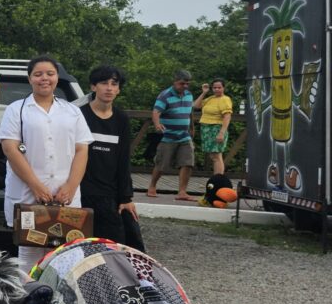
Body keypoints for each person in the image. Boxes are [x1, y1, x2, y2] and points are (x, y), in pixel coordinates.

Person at [0, 55, 92, 269]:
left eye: (50, 74)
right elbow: (10, 149)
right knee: (29, 252)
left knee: (65, 255)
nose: (44, 79)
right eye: (38, 74)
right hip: (29, 192)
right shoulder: (16, 109)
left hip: (65, 194)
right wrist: (36, 186)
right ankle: (29, 299)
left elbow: (81, 149)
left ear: (57, 77)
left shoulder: (72, 111)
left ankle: (60, 300)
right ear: (30, 78)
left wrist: (70, 186)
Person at [78, 65, 138, 245]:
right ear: (93, 87)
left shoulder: (121, 119)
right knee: (79, 247)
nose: (109, 88)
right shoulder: (79, 115)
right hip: (80, 193)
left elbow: (123, 160)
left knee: (112, 248)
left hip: (108, 196)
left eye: (114, 84)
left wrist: (126, 198)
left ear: (119, 89)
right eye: (104, 83)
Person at [148, 69, 196, 202]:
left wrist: (192, 127)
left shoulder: (189, 95)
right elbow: (156, 111)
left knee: (188, 162)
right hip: (167, 136)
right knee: (162, 163)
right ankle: (152, 186)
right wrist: (157, 124)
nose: (185, 86)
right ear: (175, 82)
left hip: (184, 136)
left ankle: (182, 192)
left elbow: (190, 113)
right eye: (182, 84)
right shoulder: (165, 95)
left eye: (187, 84)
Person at [194, 78, 234, 175]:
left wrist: (221, 133)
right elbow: (196, 106)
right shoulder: (211, 98)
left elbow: (227, 116)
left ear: (223, 88)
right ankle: (216, 177)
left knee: (217, 155)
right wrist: (204, 93)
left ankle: (218, 179)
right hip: (206, 129)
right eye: (214, 88)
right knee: (213, 156)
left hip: (217, 128)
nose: (216, 89)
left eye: (219, 87)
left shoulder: (225, 99)